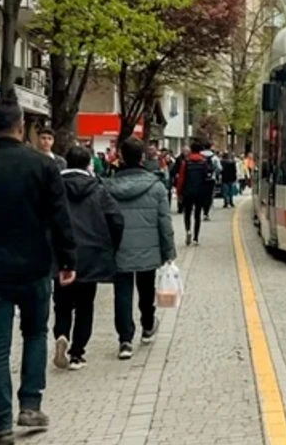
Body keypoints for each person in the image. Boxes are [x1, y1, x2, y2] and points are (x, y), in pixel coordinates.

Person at [0, 100, 76, 444]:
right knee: (35, 334)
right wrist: (68, 261)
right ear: (22, 127)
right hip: (35, 266)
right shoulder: (42, 166)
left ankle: (0, 423)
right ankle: (30, 404)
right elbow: (60, 218)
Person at [53, 146, 124, 371]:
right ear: (88, 165)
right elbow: (116, 219)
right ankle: (77, 354)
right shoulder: (98, 189)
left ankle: (61, 334)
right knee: (85, 305)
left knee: (62, 303)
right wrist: (110, 246)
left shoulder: (54, 188)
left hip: (62, 254)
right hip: (91, 254)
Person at [106, 138, 175, 359]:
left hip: (119, 249)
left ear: (121, 157)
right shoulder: (156, 187)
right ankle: (147, 326)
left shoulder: (108, 186)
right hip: (148, 248)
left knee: (122, 293)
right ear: (143, 157)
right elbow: (164, 222)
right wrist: (168, 252)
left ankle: (125, 340)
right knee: (146, 289)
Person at [174, 141, 215, 246]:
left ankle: (188, 230)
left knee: (187, 213)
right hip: (200, 192)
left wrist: (179, 193)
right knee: (197, 215)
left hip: (188, 192)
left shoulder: (186, 162)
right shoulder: (204, 162)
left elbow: (181, 179)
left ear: (191, 150)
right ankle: (196, 238)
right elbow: (207, 177)